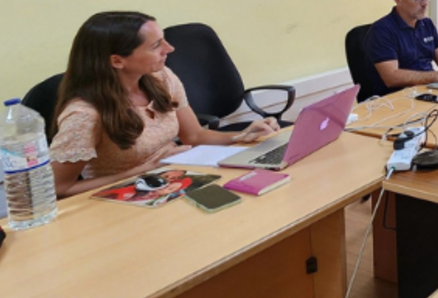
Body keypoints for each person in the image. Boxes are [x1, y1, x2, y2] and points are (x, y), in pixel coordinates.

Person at [49, 11, 279, 198]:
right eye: (156, 45)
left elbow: (194, 136)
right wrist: (142, 171)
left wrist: (242, 136)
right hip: (124, 197)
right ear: (117, 61)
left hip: (171, 179)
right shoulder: (84, 115)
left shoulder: (161, 78)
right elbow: (59, 189)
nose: (169, 49)